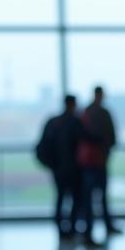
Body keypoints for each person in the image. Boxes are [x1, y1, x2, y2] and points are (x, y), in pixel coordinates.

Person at [36, 95, 86, 240]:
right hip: (75, 170)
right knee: (75, 199)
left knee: (60, 198)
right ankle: (71, 226)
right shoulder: (77, 122)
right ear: (73, 104)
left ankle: (61, 228)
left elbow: (43, 144)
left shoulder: (54, 122)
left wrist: (52, 164)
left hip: (58, 169)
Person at [78, 86, 121, 245]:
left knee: (98, 196)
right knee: (93, 197)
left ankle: (100, 227)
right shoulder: (94, 113)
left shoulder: (89, 113)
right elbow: (110, 136)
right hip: (93, 161)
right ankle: (91, 230)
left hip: (96, 161)